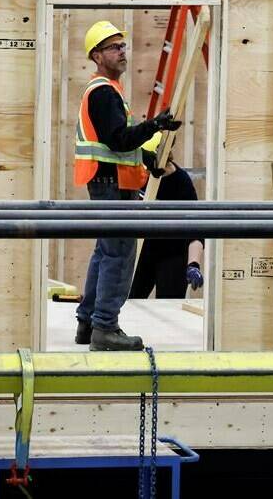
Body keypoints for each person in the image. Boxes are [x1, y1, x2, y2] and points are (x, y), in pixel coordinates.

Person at [74, 20, 182, 351]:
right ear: (96, 55)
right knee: (118, 255)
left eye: (122, 46)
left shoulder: (109, 92)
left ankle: (89, 322)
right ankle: (105, 329)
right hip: (111, 184)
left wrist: (150, 157)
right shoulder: (104, 92)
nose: (121, 52)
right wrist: (154, 126)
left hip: (109, 181)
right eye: (113, 47)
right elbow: (119, 140)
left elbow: (123, 145)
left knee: (105, 253)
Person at [130, 133, 205, 299]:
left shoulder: (180, 181)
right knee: (128, 305)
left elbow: (196, 229)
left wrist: (193, 264)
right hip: (140, 253)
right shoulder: (138, 176)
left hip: (172, 254)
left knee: (170, 308)